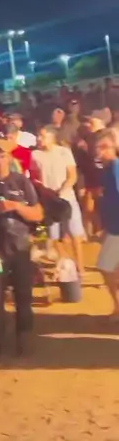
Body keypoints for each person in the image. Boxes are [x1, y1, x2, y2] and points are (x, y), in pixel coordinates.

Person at [0, 144, 43, 361]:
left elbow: (38, 214)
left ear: (9, 158)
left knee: (23, 295)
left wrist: (16, 206)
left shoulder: (21, 182)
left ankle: (23, 339)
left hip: (21, 248)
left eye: (2, 156)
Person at [32, 126, 85, 275]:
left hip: (67, 198)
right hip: (49, 201)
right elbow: (35, 178)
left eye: (42, 136)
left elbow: (72, 175)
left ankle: (80, 267)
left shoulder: (64, 152)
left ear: (52, 137)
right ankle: (65, 261)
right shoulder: (35, 155)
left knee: (75, 234)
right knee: (53, 236)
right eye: (38, 135)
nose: (39, 139)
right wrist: (44, 190)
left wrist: (62, 190)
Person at [94, 130, 119, 318]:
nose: (100, 152)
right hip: (112, 227)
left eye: (104, 147)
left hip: (117, 229)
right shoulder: (108, 170)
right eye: (98, 148)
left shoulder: (116, 167)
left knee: (105, 265)